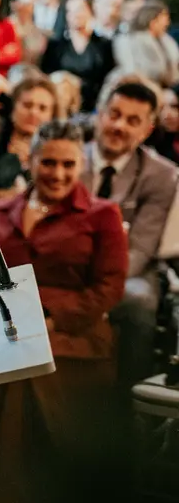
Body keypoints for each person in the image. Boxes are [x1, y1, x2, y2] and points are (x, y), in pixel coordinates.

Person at [0, 120, 128, 503]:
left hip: (76, 339)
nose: (57, 172)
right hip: (8, 329)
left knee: (19, 382)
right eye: (48, 161)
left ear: (82, 165)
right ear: (31, 161)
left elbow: (109, 287)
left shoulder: (102, 215)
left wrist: (52, 318)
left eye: (68, 163)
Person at [82, 81, 179, 384]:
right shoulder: (69, 158)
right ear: (100, 115)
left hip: (129, 269)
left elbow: (140, 248)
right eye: (114, 114)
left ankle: (130, 401)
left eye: (132, 120)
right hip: (68, 260)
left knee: (138, 301)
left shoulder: (161, 174)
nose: (119, 126)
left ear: (147, 130)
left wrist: (97, 284)